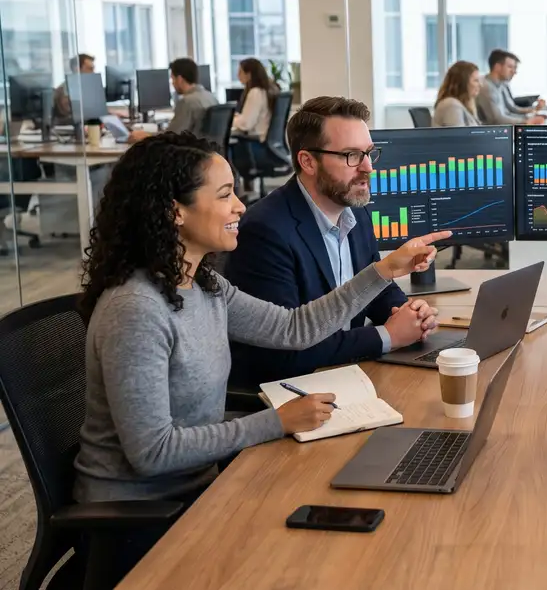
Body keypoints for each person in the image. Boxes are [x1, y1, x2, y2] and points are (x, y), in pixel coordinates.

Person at [73, 132, 451, 582]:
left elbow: (295, 328)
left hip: (203, 486)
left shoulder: (205, 286)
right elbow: (153, 453)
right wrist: (277, 422)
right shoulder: (135, 310)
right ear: (176, 210)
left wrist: (385, 270)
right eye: (225, 194)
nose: (240, 207)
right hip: (141, 521)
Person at [224, 96, 439, 388]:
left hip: (346, 374)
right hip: (294, 391)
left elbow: (372, 289)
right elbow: (281, 350)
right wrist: (386, 336)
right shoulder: (265, 231)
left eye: (368, 153)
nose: (367, 168)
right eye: (351, 155)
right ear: (308, 161)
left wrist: (410, 314)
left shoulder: (354, 211)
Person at [129, 58, 218, 142]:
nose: (172, 83)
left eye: (172, 79)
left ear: (179, 79)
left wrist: (146, 137)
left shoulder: (187, 102)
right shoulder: (211, 97)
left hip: (191, 154)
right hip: (208, 154)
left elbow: (172, 137)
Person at [476, 49, 546, 126]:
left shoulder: (502, 84)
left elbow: (512, 109)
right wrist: (525, 121)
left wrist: (534, 110)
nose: (514, 72)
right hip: (494, 133)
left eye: (514, 68)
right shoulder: (486, 88)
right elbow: (497, 120)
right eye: (510, 67)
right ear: (497, 67)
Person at [231, 57, 278, 140]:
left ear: (249, 74)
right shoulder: (267, 90)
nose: (238, 75)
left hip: (254, 143)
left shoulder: (255, 92)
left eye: (240, 72)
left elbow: (246, 124)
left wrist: (229, 120)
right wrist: (238, 117)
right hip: (264, 141)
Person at [432, 60, 482, 127]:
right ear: (462, 83)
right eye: (476, 80)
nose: (481, 85)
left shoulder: (466, 104)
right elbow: (459, 136)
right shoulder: (451, 105)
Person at [53, 52, 95, 122]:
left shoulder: (83, 87)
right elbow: (69, 111)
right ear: (77, 69)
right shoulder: (67, 87)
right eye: (90, 69)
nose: (93, 72)